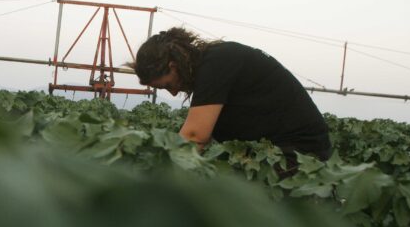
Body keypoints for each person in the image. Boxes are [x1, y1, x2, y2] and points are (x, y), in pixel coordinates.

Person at [128, 27, 332, 163]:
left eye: (167, 85)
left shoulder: (218, 62)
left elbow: (195, 136)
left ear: (173, 66)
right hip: (277, 153)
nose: (173, 92)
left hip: (299, 157)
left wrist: (157, 175)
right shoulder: (214, 63)